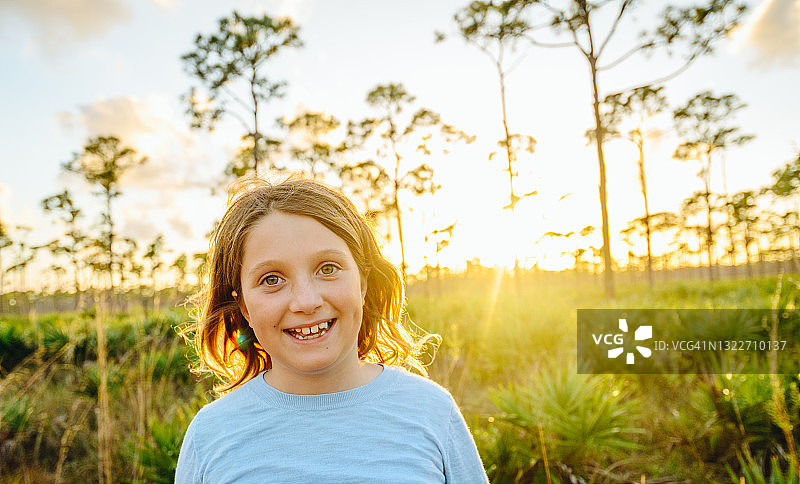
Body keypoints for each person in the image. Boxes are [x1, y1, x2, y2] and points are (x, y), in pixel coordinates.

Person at [175, 176, 489, 483]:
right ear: (243, 305)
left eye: (328, 269)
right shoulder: (210, 435)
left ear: (363, 283)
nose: (306, 302)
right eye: (272, 279)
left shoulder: (431, 411)